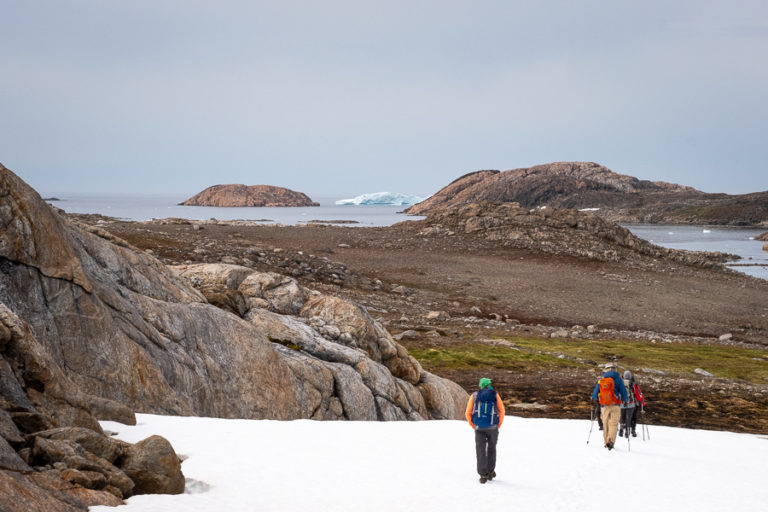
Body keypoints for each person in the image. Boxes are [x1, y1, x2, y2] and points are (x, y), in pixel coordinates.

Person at [465, 377, 505, 483]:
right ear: (489, 385)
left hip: (479, 427)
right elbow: (502, 411)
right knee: (492, 449)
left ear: (480, 385)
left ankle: (483, 475)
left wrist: (473, 425)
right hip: (493, 427)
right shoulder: (495, 395)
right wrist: (498, 425)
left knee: (480, 450)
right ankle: (491, 472)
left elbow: (468, 412)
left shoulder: (474, 395)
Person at [591, 362, 628, 450]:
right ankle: (611, 441)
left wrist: (594, 399)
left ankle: (606, 442)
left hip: (604, 405)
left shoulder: (602, 379)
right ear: (614, 369)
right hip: (615, 404)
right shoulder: (619, 379)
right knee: (614, 424)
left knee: (605, 424)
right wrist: (625, 401)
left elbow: (595, 393)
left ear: (606, 369)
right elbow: (623, 392)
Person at [620, 370, 645, 437]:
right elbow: (639, 395)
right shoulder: (633, 384)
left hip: (622, 403)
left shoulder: (621, 382)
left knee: (623, 417)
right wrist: (642, 403)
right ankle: (632, 431)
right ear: (631, 376)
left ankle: (621, 430)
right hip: (632, 403)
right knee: (631, 417)